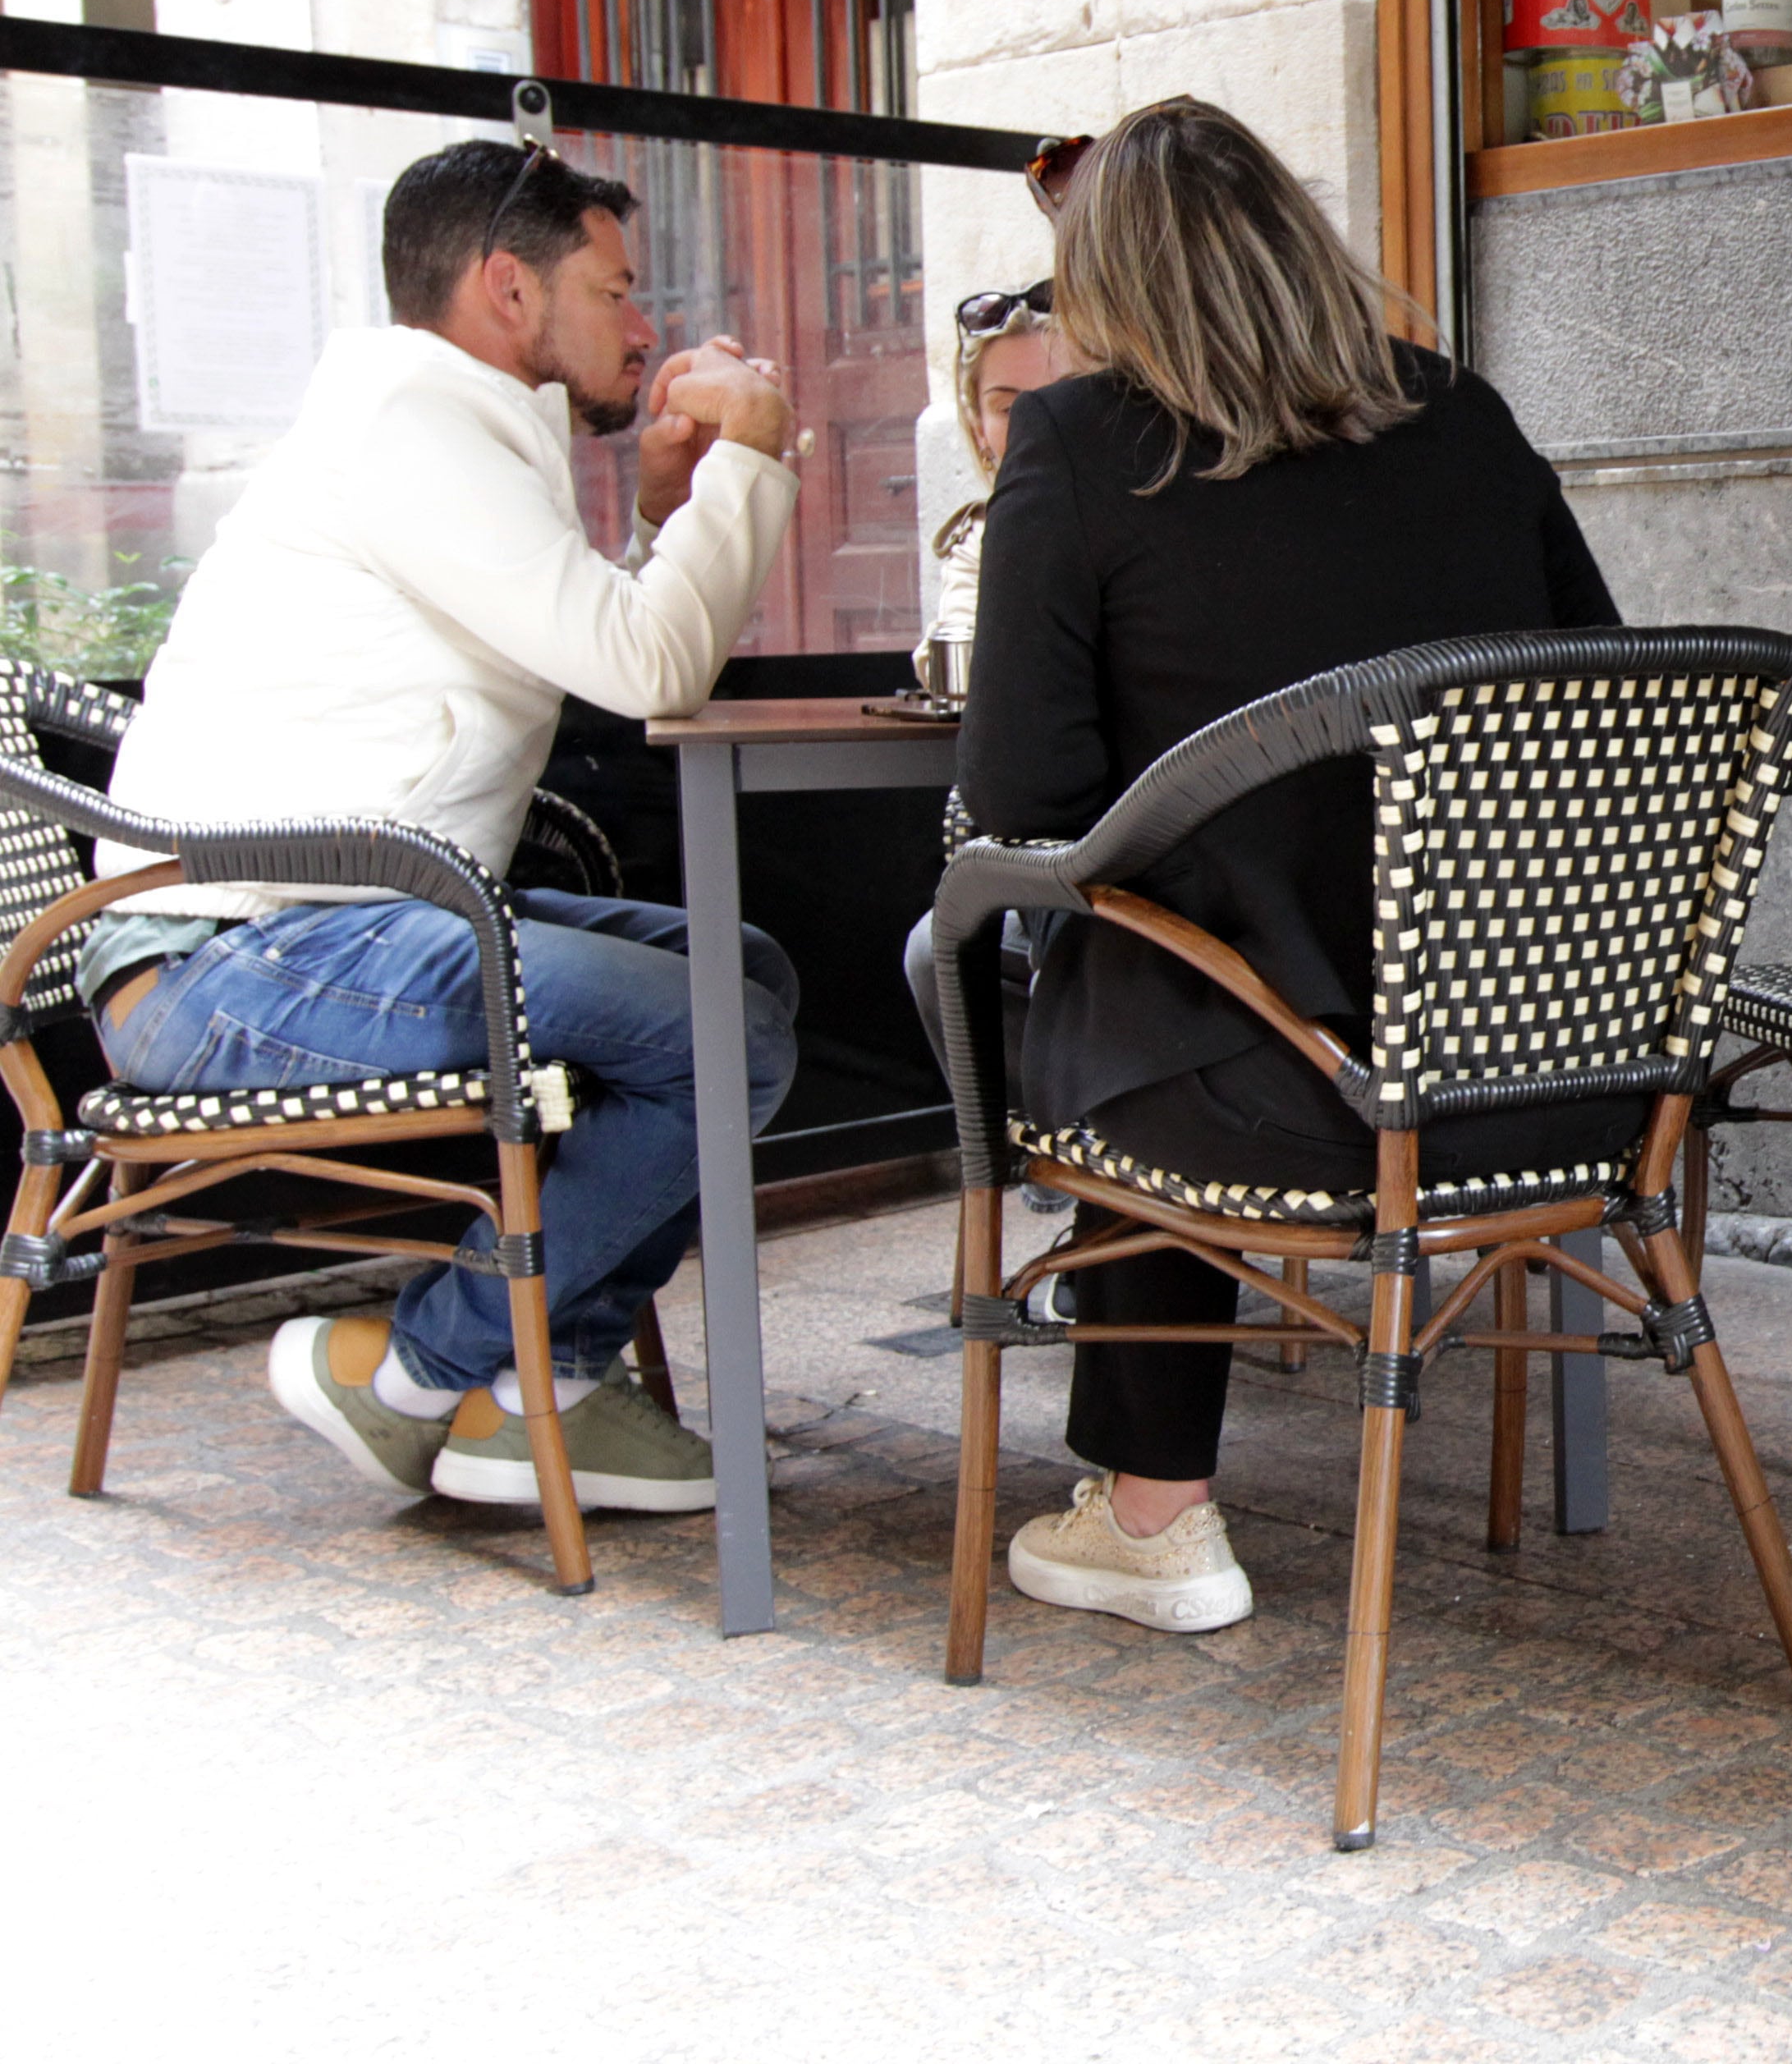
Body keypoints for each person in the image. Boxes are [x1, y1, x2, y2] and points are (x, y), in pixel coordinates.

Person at [956, 97, 1628, 1634]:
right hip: (1543, 1070)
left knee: (1113, 956)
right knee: (1167, 954)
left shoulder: (1076, 440)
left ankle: (1155, 1512)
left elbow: (1024, 802)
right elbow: (1600, 697)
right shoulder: (1463, 416)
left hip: (1279, 1095)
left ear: (1106, 283)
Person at [91, 138, 806, 1515]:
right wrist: (751, 460)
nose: (645, 324)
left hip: (345, 925)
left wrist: (666, 513)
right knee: (722, 1022)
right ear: (507, 289)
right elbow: (649, 669)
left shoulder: (456, 423)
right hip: (225, 963)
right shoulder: (406, 430)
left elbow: (595, 643)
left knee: (749, 973)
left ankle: (535, 1385)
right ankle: (432, 1370)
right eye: (615, 287)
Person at [924, 281, 1074, 649]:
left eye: (1062, 398)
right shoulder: (978, 545)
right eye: (1009, 409)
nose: (1038, 424)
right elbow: (955, 659)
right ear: (979, 428)